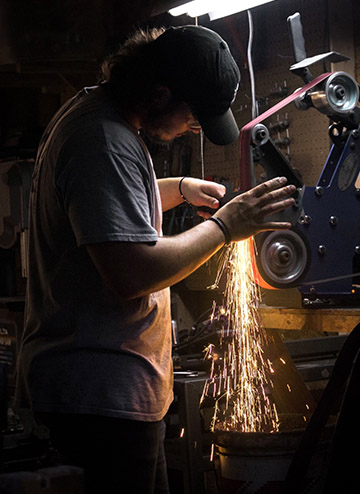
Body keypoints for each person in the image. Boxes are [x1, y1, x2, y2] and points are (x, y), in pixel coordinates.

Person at [14, 25, 296, 494]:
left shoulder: (99, 114)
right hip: (99, 404)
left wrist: (180, 189)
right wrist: (225, 228)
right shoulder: (104, 140)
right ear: (161, 93)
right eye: (194, 117)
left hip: (106, 399)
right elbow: (131, 271)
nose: (195, 127)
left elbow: (110, 204)